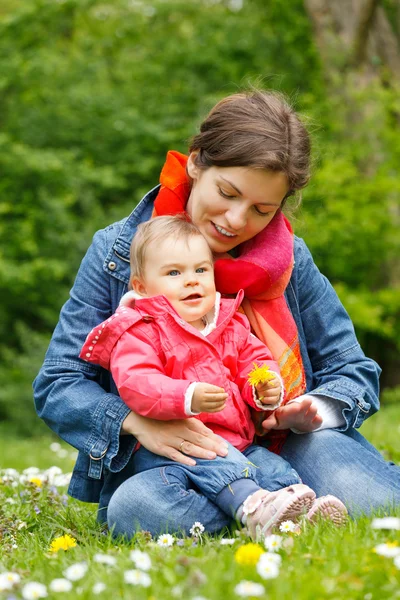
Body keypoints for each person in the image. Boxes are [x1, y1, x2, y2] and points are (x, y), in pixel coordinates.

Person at [33, 89, 400, 540]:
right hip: (179, 460)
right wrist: (138, 422)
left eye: (261, 210)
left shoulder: (290, 261)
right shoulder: (118, 252)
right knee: (137, 508)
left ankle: (279, 506)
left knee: (376, 504)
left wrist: (313, 409)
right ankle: (271, 510)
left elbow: (352, 369)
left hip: (288, 445)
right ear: (195, 163)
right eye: (227, 193)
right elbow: (58, 382)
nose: (236, 219)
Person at [79, 215, 348, 539]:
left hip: (240, 444)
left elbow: (255, 359)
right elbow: (137, 382)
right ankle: (254, 509)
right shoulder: (138, 330)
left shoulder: (229, 324)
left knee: (275, 470)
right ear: (142, 287)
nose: (192, 281)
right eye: (174, 273)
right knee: (209, 466)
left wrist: (264, 386)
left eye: (201, 270)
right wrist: (186, 396)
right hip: (177, 451)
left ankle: (287, 516)